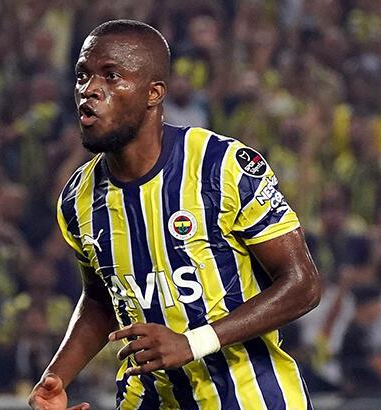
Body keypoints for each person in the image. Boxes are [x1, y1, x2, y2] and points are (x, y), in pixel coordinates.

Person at [28, 20, 321, 409]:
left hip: (251, 396)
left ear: (154, 93)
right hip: (149, 397)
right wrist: (56, 379)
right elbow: (101, 300)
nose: (89, 89)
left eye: (111, 76)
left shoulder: (221, 165)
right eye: (83, 75)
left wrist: (192, 343)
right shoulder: (77, 198)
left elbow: (302, 284)